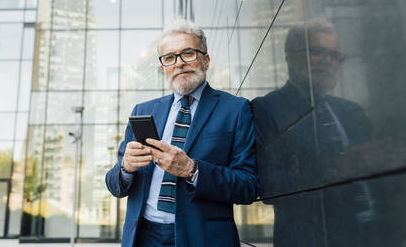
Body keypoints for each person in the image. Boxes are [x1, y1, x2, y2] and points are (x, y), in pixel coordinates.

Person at [105, 19, 258, 247]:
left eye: (188, 53)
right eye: (169, 57)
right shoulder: (144, 110)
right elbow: (115, 185)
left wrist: (192, 170)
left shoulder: (236, 110)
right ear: (163, 67)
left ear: (205, 60)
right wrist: (126, 168)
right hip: (143, 237)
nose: (179, 63)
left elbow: (249, 186)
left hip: (203, 238)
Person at [252, 18, 378, 246]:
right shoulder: (266, 109)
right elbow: (268, 186)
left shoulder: (353, 112)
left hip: (371, 235)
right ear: (290, 55)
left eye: (334, 56)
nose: (328, 62)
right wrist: (336, 168)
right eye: (318, 52)